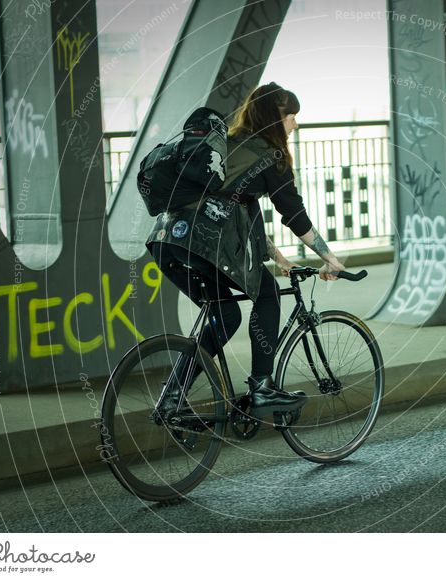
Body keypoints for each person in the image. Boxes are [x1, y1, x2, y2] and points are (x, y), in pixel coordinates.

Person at [145, 82, 346, 417]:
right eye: (292, 115)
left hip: (167, 241)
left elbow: (237, 211)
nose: (296, 123)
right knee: (267, 295)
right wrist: (330, 258)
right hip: (204, 240)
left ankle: (172, 398)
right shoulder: (271, 154)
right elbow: (293, 213)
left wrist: (279, 258)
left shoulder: (229, 146)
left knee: (224, 315)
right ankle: (263, 387)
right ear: (275, 116)